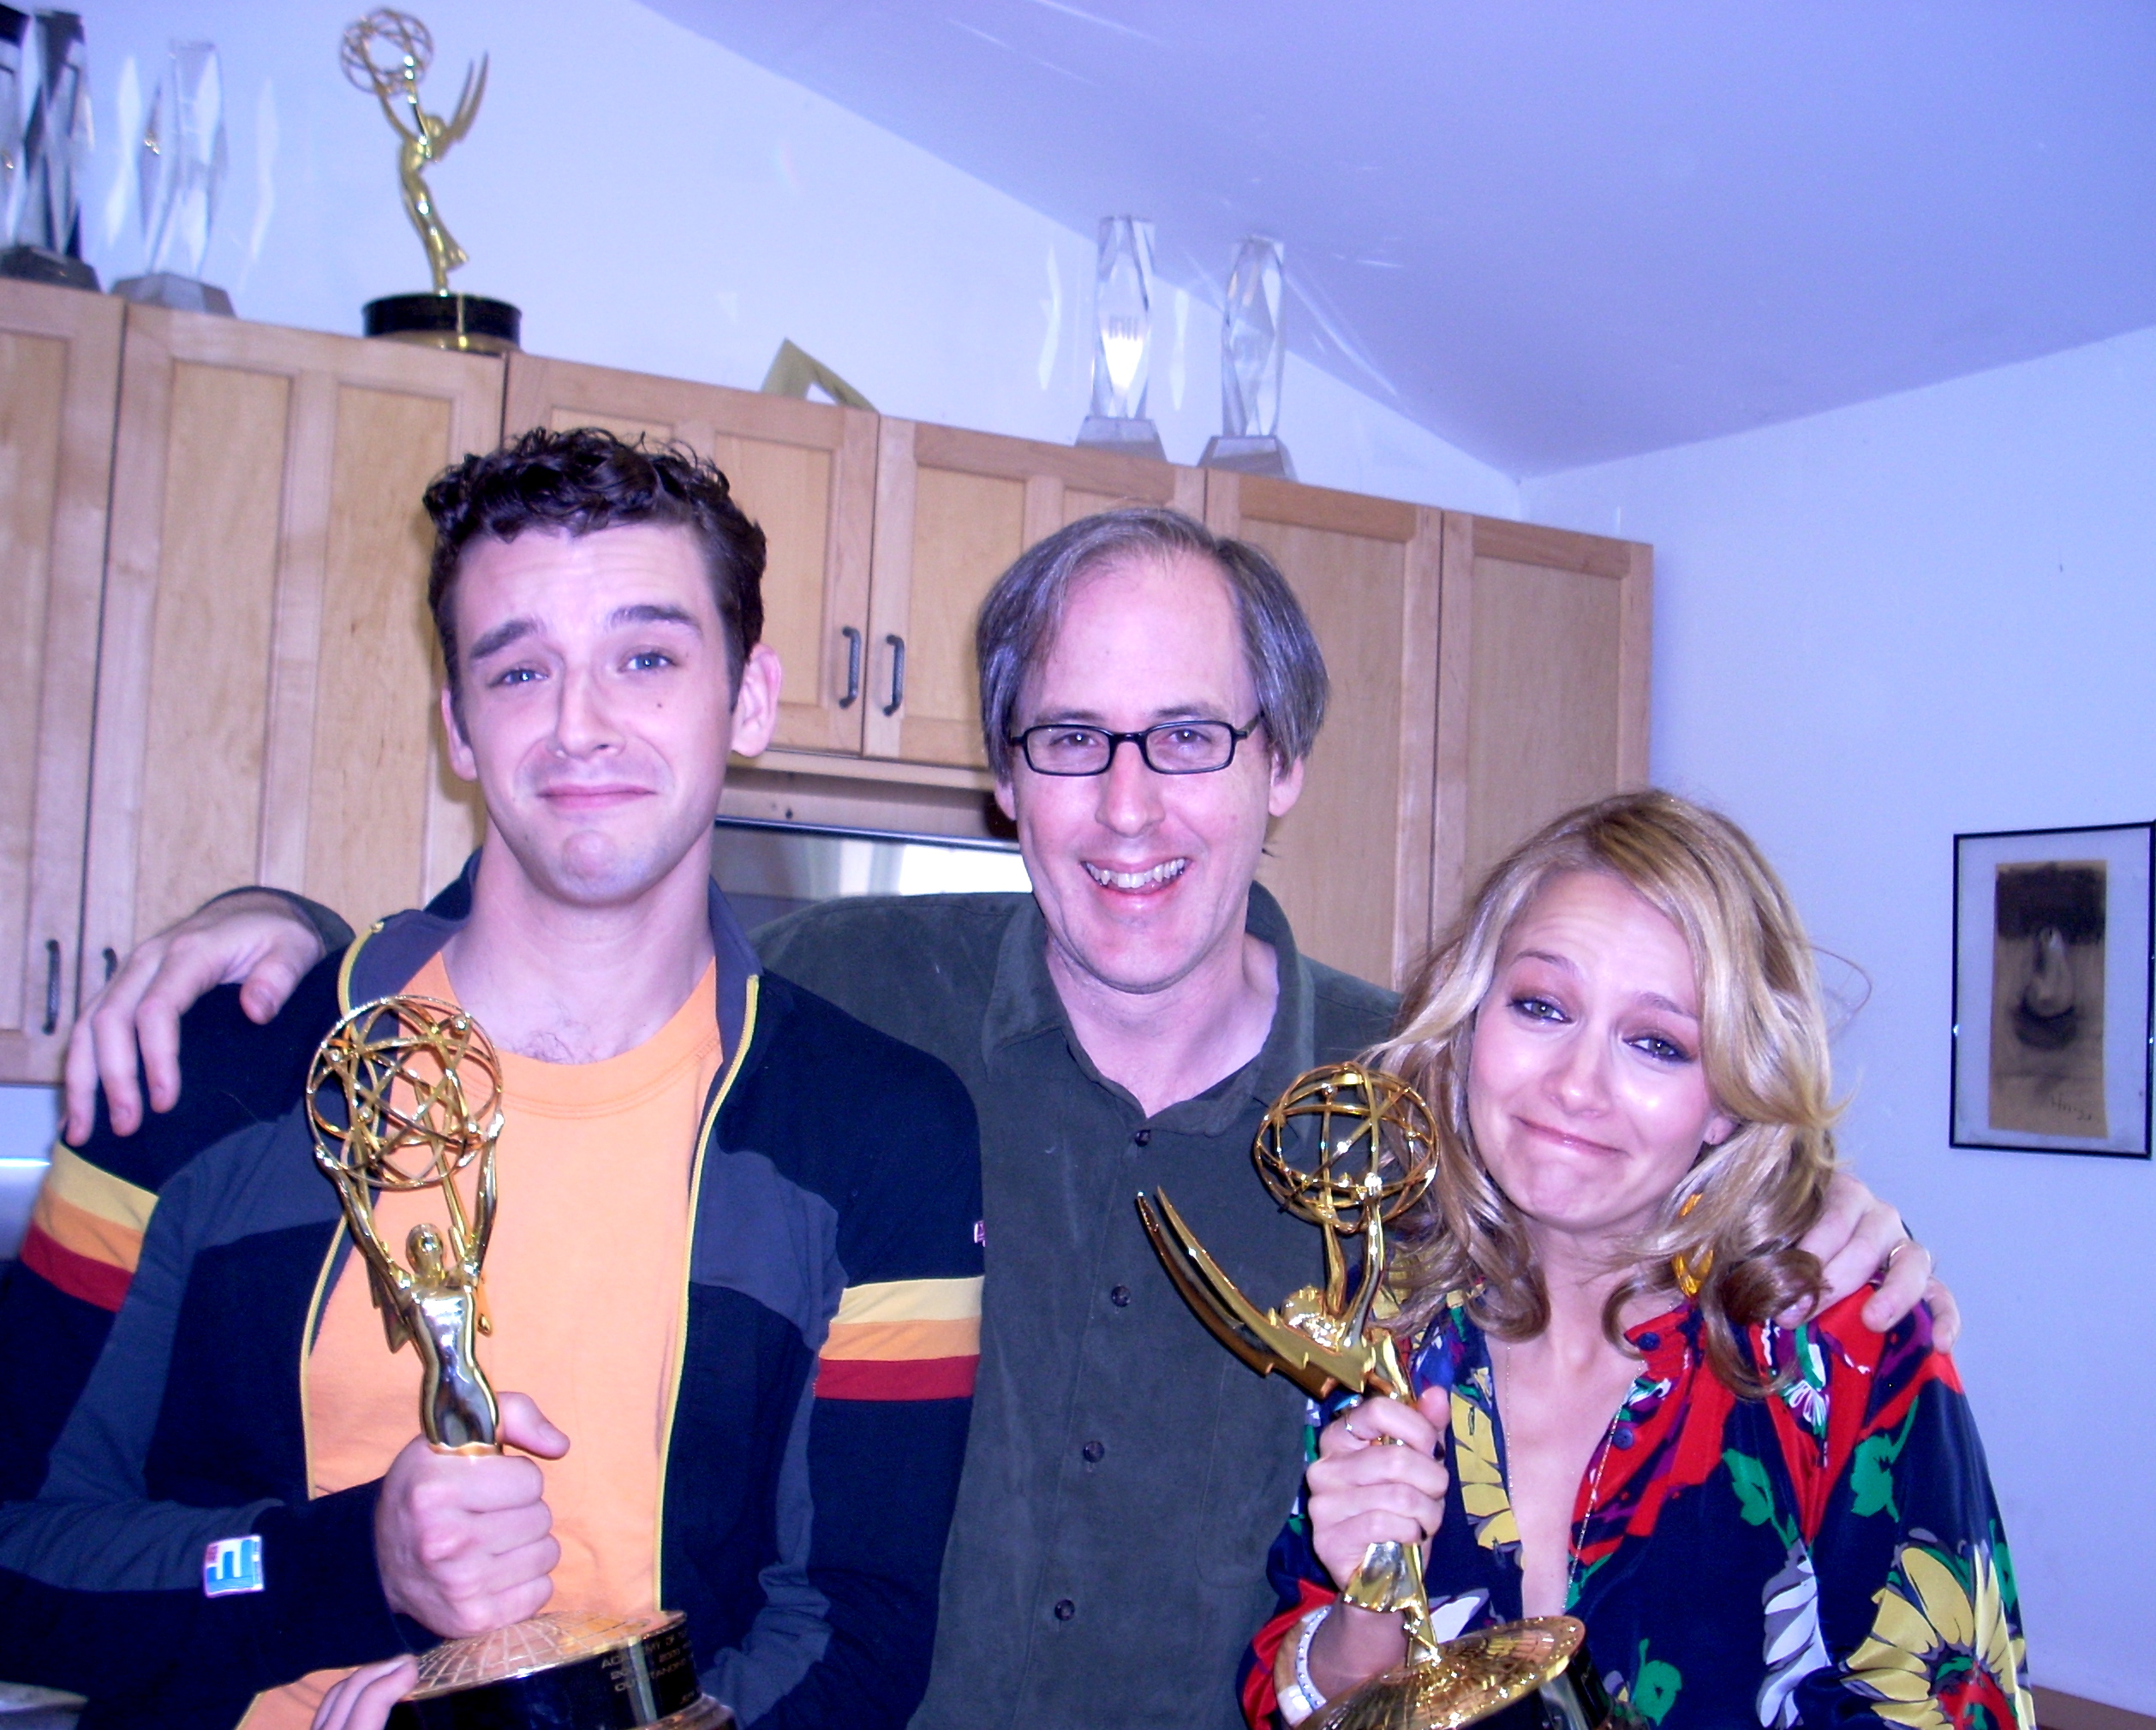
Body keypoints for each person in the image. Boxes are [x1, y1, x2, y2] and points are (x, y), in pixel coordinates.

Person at [19, 510, 1946, 1730]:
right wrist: (269, 935)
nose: (1128, 807)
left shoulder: (1423, 1093)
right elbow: (555, 926)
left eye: (1189, 736)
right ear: (1000, 779)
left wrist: (1820, 1203)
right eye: (1067, 741)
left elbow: (1625, 1122)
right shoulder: (842, 1009)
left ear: (1281, 764)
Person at [0, 428, 983, 1727]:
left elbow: (855, 1635)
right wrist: (344, 1564)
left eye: (646, 657)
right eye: (520, 669)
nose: (582, 725)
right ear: (458, 725)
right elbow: (19, 1554)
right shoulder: (213, 1073)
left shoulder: (882, 1136)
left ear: (748, 699)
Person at [1247, 791, 2028, 1730]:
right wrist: (1363, 1623)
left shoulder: (1845, 1353)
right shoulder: (1384, 1333)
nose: (1576, 1085)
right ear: (1471, 1023)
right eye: (1542, 1006)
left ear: (1729, 1099)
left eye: (1656, 1043)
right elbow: (1301, 1694)